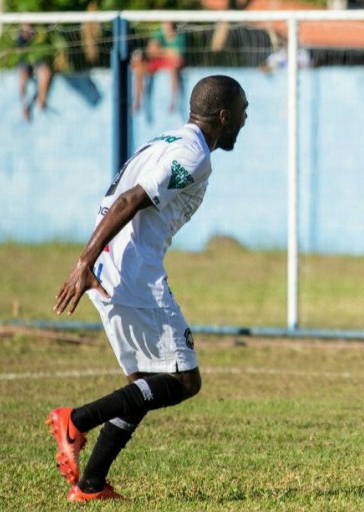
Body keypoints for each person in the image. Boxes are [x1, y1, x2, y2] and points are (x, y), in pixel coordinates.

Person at [48, 75, 248, 503]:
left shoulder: (168, 139)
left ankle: (91, 485)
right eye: (243, 112)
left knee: (141, 385)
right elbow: (129, 200)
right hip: (130, 272)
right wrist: (83, 262)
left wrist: (92, 261)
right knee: (184, 381)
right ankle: (76, 420)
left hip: (111, 269)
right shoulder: (194, 154)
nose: (246, 120)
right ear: (224, 116)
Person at [133, 21, 187, 113]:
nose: (166, 26)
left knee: (173, 68)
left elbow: (177, 55)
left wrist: (160, 51)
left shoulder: (180, 36)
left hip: (174, 63)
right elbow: (151, 51)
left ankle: (173, 103)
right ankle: (138, 102)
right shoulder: (159, 34)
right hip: (161, 60)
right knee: (139, 68)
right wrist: (167, 52)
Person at [16, 23, 54, 121]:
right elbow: (18, 52)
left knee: (45, 73)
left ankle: (41, 102)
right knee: (22, 77)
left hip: (36, 60)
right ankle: (24, 105)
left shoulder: (39, 35)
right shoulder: (19, 39)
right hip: (25, 62)